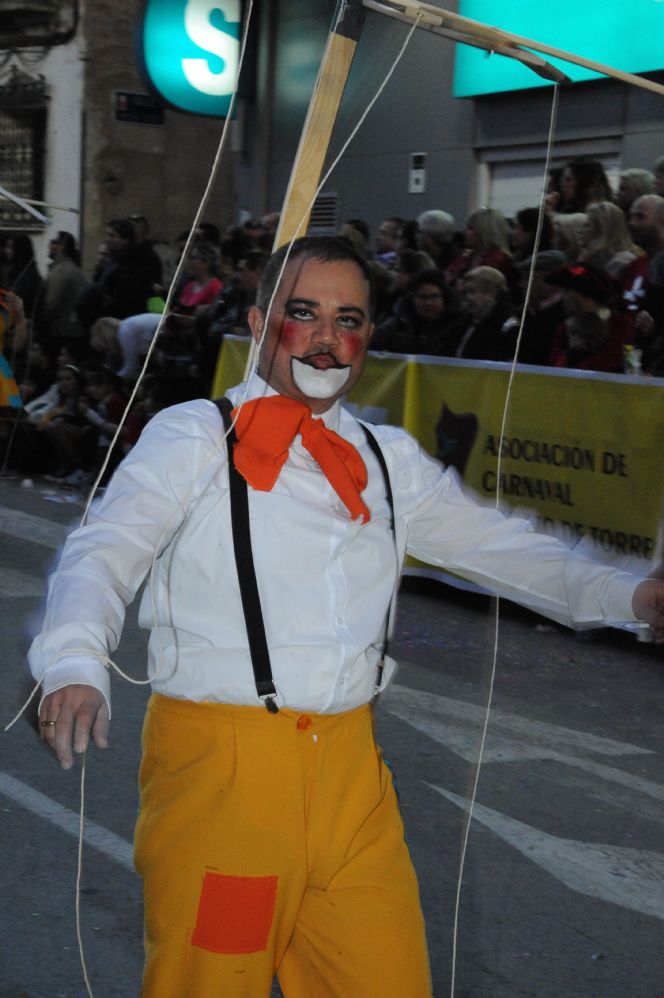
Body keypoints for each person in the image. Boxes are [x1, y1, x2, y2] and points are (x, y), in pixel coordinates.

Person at [29, 236, 664, 998]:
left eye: (349, 319)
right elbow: (105, 551)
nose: (328, 339)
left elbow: (506, 549)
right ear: (264, 324)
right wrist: (73, 662)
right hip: (226, 780)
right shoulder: (195, 435)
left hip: (353, 779)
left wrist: (632, 597)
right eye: (306, 314)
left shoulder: (384, 457)